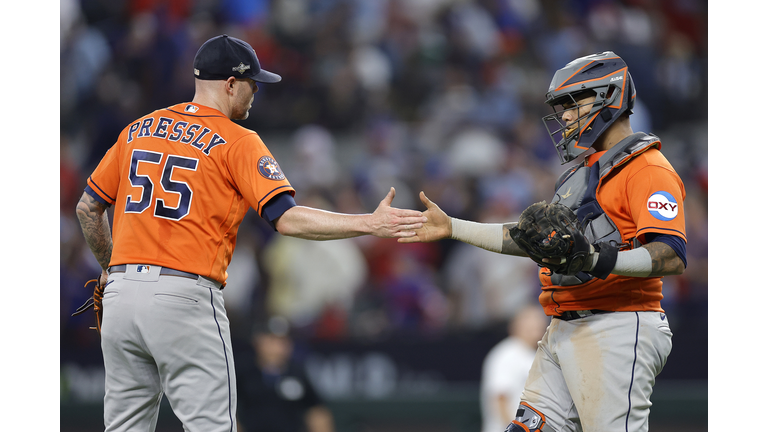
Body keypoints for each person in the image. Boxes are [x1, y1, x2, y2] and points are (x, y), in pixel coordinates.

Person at [75, 34, 426, 432]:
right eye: (251, 83)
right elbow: (287, 219)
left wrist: (111, 268)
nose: (256, 90)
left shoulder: (138, 129)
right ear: (229, 83)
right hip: (183, 296)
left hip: (121, 294)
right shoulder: (238, 140)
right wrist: (368, 223)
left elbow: (88, 208)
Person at [400, 51, 686, 432]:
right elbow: (531, 239)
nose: (565, 116)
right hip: (563, 326)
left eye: (573, 102)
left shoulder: (647, 168)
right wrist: (452, 226)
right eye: (561, 107)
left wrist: (595, 258)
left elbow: (670, 255)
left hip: (617, 326)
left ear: (610, 96)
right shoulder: (581, 173)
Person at [236, 316, 334, 432]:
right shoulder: (244, 370)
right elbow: (226, 409)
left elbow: (316, 412)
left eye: (283, 341)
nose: (278, 348)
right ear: (258, 341)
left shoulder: (297, 372)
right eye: (272, 340)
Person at [480, 305, 548, 432]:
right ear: (516, 325)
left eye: (539, 320)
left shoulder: (532, 354)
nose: (536, 324)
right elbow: (500, 398)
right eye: (529, 319)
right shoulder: (507, 353)